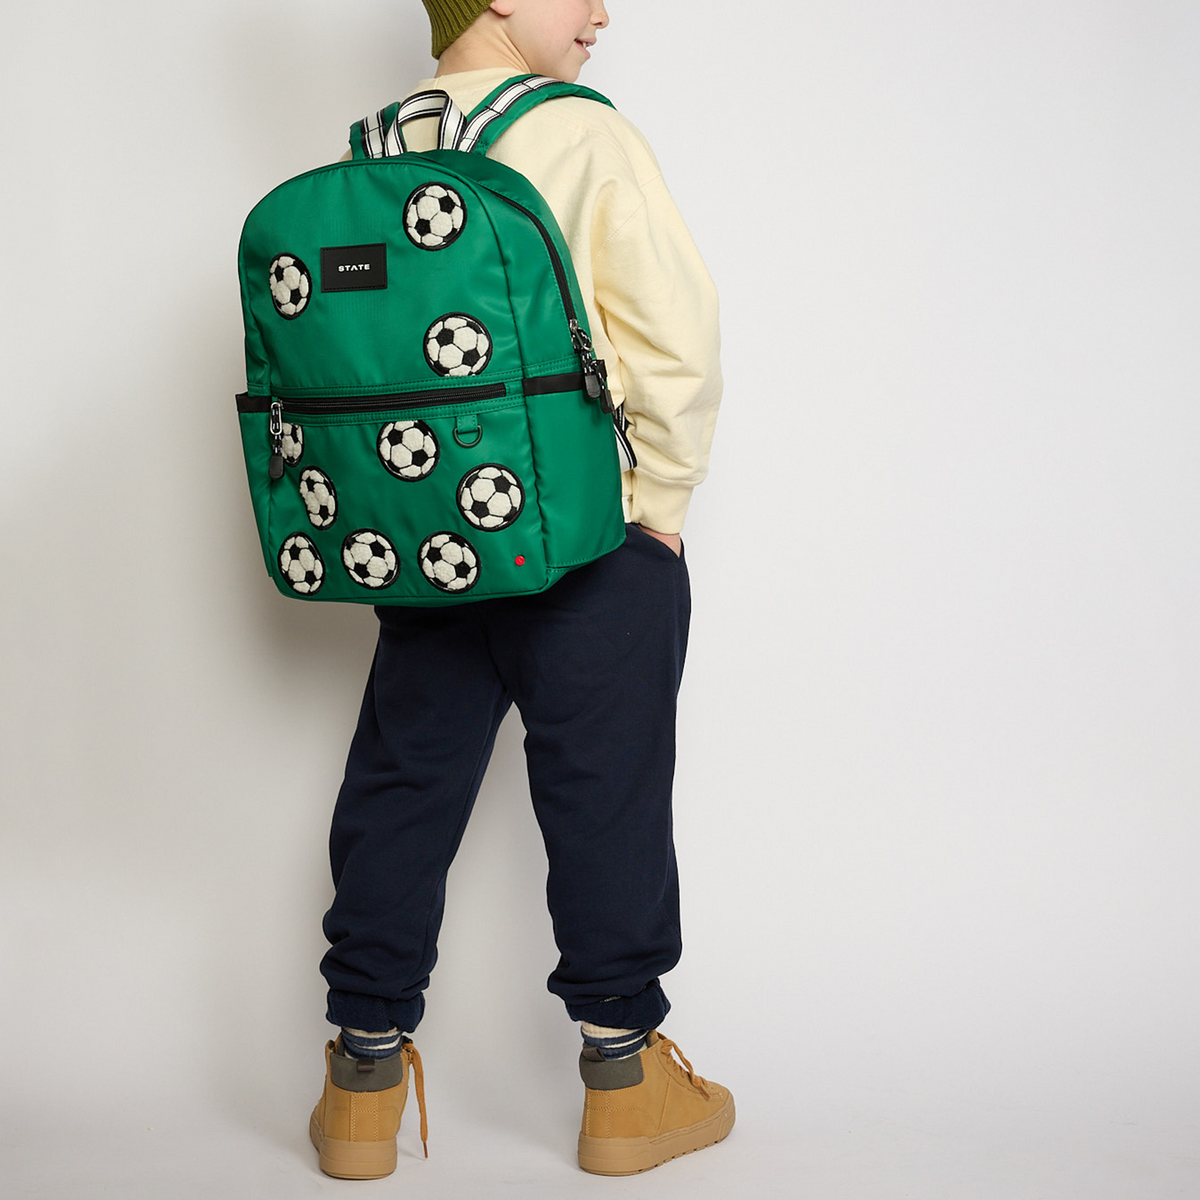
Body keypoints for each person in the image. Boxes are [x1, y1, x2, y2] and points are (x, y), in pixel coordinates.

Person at [308, 0, 731, 1178]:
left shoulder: (377, 150)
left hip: (432, 544)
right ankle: (624, 1082)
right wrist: (661, 511)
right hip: (588, 544)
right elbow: (675, 338)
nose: (603, 11)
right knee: (606, 795)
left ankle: (359, 1084)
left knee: (401, 787)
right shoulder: (582, 136)